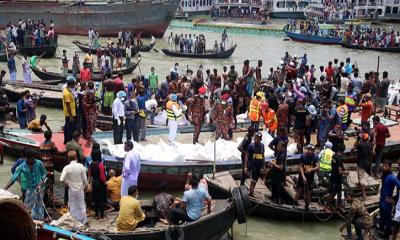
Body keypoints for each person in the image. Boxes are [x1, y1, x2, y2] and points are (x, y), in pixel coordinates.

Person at [4, 149, 47, 220]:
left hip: (40, 187)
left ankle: (39, 221)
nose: (33, 160)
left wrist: (41, 182)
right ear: (27, 158)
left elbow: (44, 173)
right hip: (30, 188)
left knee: (39, 206)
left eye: (34, 158)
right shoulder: (22, 166)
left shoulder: (39, 163)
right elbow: (13, 178)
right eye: (31, 158)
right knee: (27, 206)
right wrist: (4, 189)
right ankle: (29, 220)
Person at [60, 150, 88, 225]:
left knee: (72, 205)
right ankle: (83, 221)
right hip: (80, 188)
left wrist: (66, 184)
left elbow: (61, 179)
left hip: (71, 189)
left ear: (68, 159)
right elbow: (85, 179)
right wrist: (86, 186)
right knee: (81, 204)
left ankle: (74, 221)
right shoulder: (81, 166)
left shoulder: (66, 168)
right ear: (76, 157)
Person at [294, 144, 319, 211]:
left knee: (308, 193)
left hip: (310, 177)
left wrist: (311, 169)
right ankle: (295, 203)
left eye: (312, 150)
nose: (310, 151)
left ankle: (307, 206)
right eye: (309, 150)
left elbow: (317, 167)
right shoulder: (303, 156)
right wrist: (303, 177)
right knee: (299, 190)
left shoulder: (316, 157)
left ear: (313, 151)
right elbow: (300, 167)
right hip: (302, 176)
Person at [379, 160, 400, 238]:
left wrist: (394, 199)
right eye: (383, 166)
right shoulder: (384, 175)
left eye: (386, 166)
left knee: (387, 219)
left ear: (390, 167)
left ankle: (387, 235)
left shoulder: (392, 177)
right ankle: (381, 230)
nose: (384, 167)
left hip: (387, 203)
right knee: (382, 217)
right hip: (381, 200)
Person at [39, 130, 58, 205]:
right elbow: (57, 152)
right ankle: (51, 198)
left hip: (43, 166)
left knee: (44, 181)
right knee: (51, 182)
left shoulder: (41, 145)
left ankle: (45, 197)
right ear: (51, 136)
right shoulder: (52, 144)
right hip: (50, 165)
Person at [88, 149, 107, 221]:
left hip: (94, 183)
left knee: (95, 200)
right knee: (102, 200)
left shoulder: (91, 165)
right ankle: (102, 216)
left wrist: (89, 183)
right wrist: (106, 183)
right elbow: (102, 176)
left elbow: (89, 175)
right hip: (100, 183)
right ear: (99, 156)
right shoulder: (100, 164)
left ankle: (96, 215)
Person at [352, 133, 373, 199]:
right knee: (359, 172)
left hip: (361, 163)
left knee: (362, 179)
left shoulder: (360, 145)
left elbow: (353, 148)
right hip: (368, 163)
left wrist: (358, 140)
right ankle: (359, 182)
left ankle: (364, 195)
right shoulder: (370, 145)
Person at [244, 132, 265, 197]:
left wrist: (263, 165)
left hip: (259, 166)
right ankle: (251, 194)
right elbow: (247, 156)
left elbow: (263, 156)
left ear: (260, 139)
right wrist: (245, 166)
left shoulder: (262, 145)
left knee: (255, 180)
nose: (256, 140)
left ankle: (251, 191)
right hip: (252, 166)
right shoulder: (251, 146)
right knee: (252, 181)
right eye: (255, 138)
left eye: (258, 138)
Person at [327, 142, 346, 210]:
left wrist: (342, 167)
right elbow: (340, 171)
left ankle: (338, 206)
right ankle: (327, 206)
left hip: (333, 176)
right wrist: (345, 172)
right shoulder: (340, 159)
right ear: (343, 150)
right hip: (337, 178)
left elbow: (336, 165)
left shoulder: (334, 156)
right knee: (333, 193)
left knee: (339, 191)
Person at [82, 81, 98, 147]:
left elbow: (94, 98)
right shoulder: (85, 94)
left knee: (93, 125)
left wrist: (96, 101)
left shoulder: (93, 91)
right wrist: (91, 104)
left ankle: (92, 139)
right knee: (89, 126)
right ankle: (88, 142)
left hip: (93, 111)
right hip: (88, 112)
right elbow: (84, 104)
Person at [63, 76, 77, 144]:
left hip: (70, 112)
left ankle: (66, 141)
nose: (74, 85)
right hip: (70, 113)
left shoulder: (68, 90)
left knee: (67, 126)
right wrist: (71, 116)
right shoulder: (66, 93)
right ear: (70, 84)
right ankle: (69, 141)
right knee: (69, 128)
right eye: (74, 84)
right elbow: (68, 105)